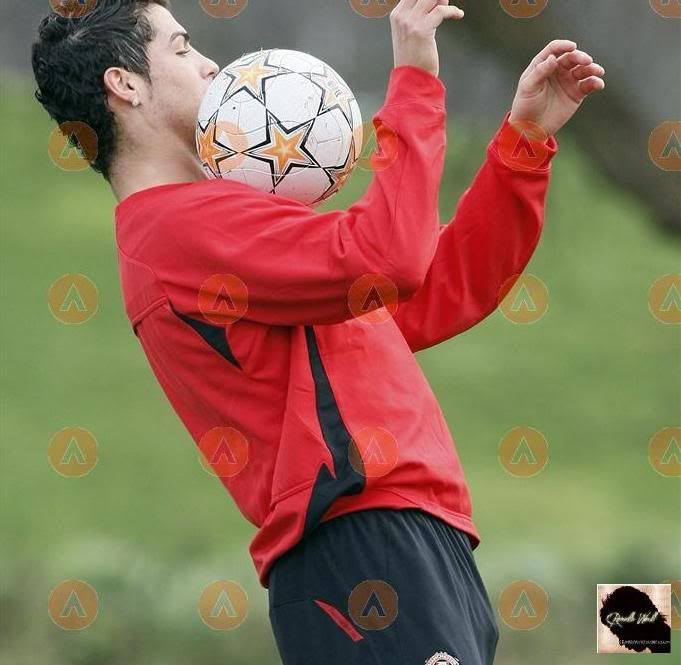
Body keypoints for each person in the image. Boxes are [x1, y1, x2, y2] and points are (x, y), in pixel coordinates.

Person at [31, 1, 605, 663]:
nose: (210, 62)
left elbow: (439, 286)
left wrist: (521, 146)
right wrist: (414, 80)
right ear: (124, 84)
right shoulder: (179, 229)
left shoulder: (211, 221)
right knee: (640, 632)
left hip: (410, 541)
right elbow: (384, 257)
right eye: (182, 48)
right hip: (362, 550)